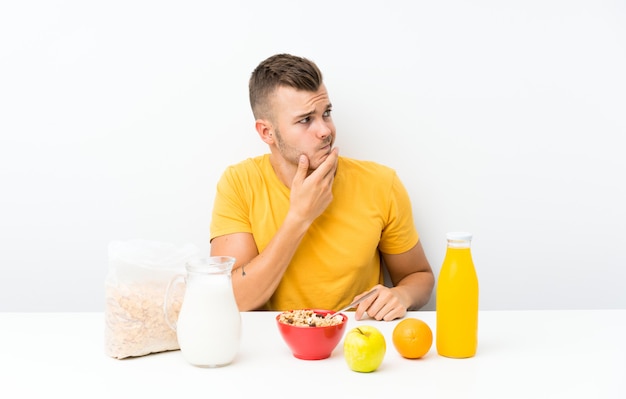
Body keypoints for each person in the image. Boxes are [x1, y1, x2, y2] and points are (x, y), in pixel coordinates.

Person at [210, 53, 434, 321]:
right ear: (266, 133)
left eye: (326, 113)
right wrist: (299, 217)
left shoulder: (381, 184)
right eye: (305, 120)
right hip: (272, 349)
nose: (326, 130)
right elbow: (232, 300)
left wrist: (402, 295)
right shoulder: (238, 184)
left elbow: (419, 276)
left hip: (355, 343)